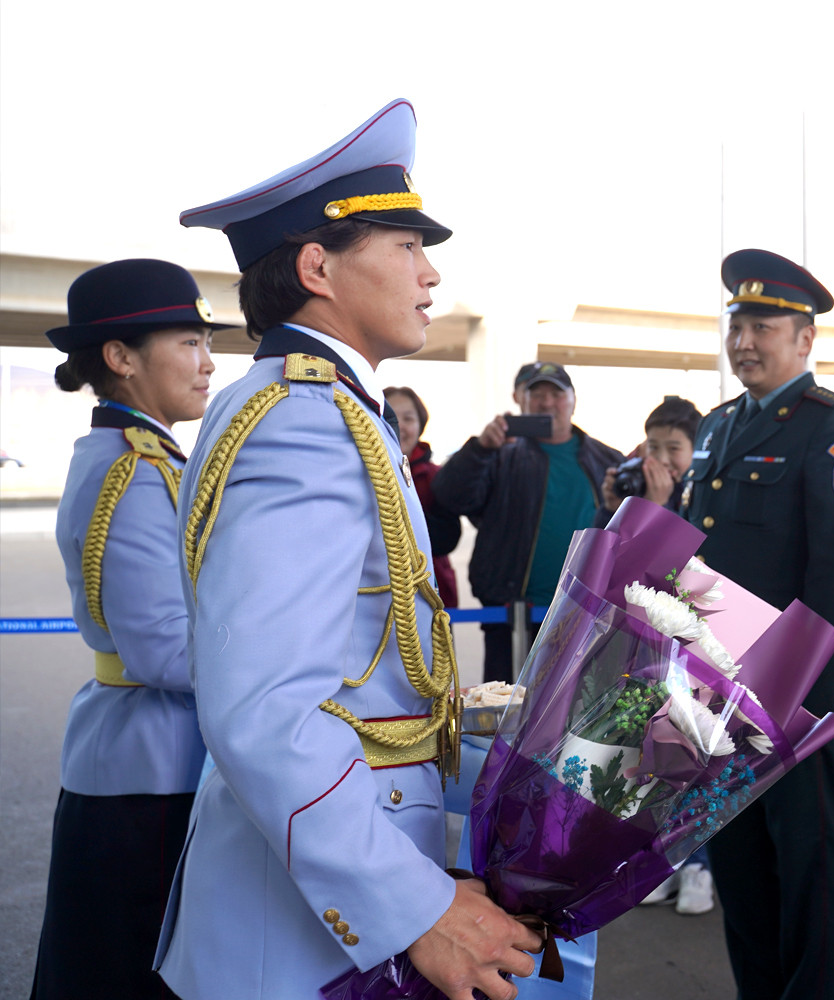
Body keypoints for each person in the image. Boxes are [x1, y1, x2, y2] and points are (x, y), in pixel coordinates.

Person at [157, 99, 541, 1000]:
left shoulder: (319, 407)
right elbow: (265, 711)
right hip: (303, 939)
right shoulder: (304, 423)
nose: (432, 274)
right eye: (407, 246)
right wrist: (417, 908)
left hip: (317, 878)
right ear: (317, 265)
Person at [682, 248, 834, 1000]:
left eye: (762, 326)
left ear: (805, 340)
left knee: (807, 874)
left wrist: (795, 703)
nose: (745, 342)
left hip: (788, 702)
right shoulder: (720, 424)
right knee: (738, 869)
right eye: (738, 325)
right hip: (713, 696)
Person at [31, 259, 225, 1000]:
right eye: (188, 342)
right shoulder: (132, 471)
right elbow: (162, 650)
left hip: (149, 762)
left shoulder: (149, 459)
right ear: (120, 358)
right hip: (149, 779)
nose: (208, 363)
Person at [601, 395, 719, 917]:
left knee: (694, 756)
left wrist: (667, 509)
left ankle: (700, 868)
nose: (662, 458)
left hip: (697, 649)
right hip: (643, 648)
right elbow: (619, 564)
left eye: (674, 448)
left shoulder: (704, 496)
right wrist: (621, 508)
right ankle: (664, 863)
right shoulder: (637, 486)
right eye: (654, 446)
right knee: (651, 758)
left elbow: (694, 569)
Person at [432, 361, 623, 683]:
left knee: (575, 714)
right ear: (519, 400)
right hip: (511, 616)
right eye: (537, 394)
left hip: (585, 616)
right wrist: (480, 449)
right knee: (506, 713)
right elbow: (451, 497)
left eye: (556, 394)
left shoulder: (607, 460)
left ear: (573, 400)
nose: (547, 402)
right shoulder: (499, 454)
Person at [384, 386, 462, 608]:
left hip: (432, 596)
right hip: (376, 596)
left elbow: (447, 538)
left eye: (408, 418)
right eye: (390, 415)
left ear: (420, 425)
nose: (399, 426)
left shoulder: (436, 476)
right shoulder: (356, 473)